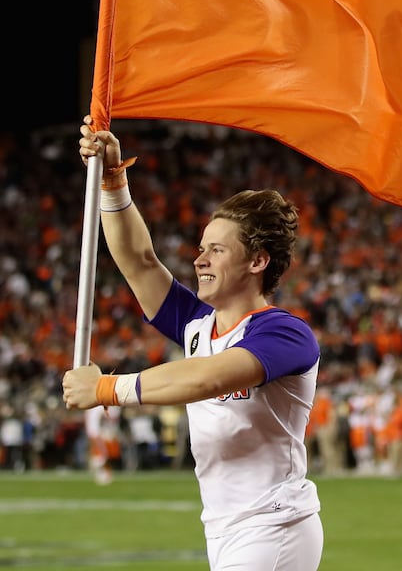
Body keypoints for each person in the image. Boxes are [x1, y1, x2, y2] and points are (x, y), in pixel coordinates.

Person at [63, 117, 324, 571]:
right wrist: (112, 181)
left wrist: (107, 389)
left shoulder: (284, 333)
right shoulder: (198, 326)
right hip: (223, 527)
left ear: (258, 261)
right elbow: (140, 262)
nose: (200, 259)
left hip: (273, 526)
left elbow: (209, 376)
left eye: (217, 250)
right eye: (202, 247)